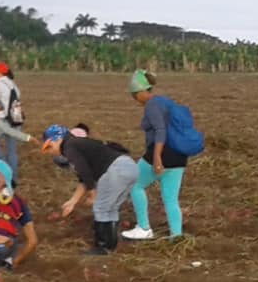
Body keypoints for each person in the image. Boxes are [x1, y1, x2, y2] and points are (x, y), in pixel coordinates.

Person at [41, 124, 138, 256]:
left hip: (115, 170)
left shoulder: (69, 147)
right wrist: (73, 201)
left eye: (49, 147)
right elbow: (84, 178)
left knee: (101, 208)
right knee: (111, 207)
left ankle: (102, 247)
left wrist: (92, 193)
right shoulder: (77, 143)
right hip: (129, 167)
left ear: (58, 140)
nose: (50, 151)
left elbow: (84, 172)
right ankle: (111, 244)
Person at [121, 70, 189, 241]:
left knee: (134, 184)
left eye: (134, 95)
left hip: (162, 153)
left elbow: (160, 130)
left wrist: (157, 158)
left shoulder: (151, 105)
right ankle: (176, 236)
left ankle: (143, 228)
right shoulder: (165, 102)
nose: (134, 99)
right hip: (179, 155)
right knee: (171, 199)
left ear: (142, 92)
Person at [0, 159, 39, 271]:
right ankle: (7, 262)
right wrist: (16, 261)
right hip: (1, 249)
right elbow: (33, 241)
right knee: (16, 240)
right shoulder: (19, 201)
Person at [0, 62, 26, 175]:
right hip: (14, 120)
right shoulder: (13, 85)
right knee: (12, 151)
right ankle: (13, 177)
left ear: (0, 73)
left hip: (1, 120)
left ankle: (5, 167)